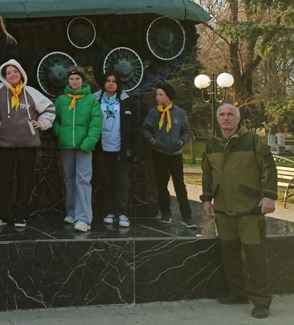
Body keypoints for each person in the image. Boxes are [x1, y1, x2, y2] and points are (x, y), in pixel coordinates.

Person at [201, 103, 277, 319]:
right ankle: (238, 293)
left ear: (238, 119)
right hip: (223, 210)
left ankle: (261, 301)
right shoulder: (212, 144)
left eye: (230, 114)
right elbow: (207, 174)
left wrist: (269, 195)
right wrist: (207, 199)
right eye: (222, 115)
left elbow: (269, 167)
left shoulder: (253, 141)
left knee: (256, 257)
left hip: (250, 210)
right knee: (230, 255)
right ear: (218, 119)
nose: (226, 118)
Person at [0, 60, 55, 228]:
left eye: (15, 71)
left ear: (21, 73)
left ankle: (20, 215)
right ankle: (1, 214)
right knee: (3, 180)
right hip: (5, 143)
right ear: (4, 76)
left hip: (27, 144)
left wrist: (42, 123)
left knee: (25, 180)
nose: (12, 74)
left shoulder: (31, 92)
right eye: (8, 73)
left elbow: (50, 109)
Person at [52, 67, 102, 233]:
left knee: (83, 180)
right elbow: (55, 119)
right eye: (72, 79)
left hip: (84, 146)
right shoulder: (61, 100)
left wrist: (88, 142)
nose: (74, 81)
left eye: (77, 79)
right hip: (66, 145)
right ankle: (72, 212)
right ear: (68, 80)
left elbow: (96, 122)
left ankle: (84, 218)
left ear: (82, 80)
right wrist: (60, 132)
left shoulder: (91, 99)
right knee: (69, 179)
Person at [93, 71, 143, 228]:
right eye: (108, 80)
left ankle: (122, 213)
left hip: (121, 148)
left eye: (114, 81)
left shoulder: (126, 101)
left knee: (121, 182)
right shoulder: (96, 100)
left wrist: (136, 150)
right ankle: (110, 212)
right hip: (102, 148)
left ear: (118, 84)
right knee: (107, 182)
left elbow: (135, 127)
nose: (110, 84)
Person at [142, 83, 195, 228]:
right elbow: (145, 128)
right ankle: (165, 213)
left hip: (175, 154)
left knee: (179, 185)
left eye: (161, 94)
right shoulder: (154, 112)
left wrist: (180, 141)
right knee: (161, 184)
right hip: (159, 153)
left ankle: (187, 217)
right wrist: (152, 140)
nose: (157, 97)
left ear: (169, 97)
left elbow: (186, 130)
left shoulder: (180, 113)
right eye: (157, 94)